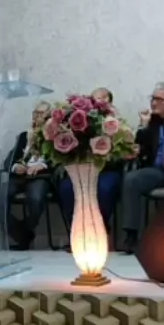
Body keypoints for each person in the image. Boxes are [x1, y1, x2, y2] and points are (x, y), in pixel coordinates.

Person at [121, 81, 164, 254]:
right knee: (132, 179)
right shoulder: (152, 121)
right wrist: (144, 126)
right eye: (152, 98)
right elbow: (137, 149)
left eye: (159, 99)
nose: (153, 103)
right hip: (157, 171)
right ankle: (131, 236)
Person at [0, 102, 53, 250]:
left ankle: (25, 232)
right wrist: (16, 167)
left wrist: (42, 166)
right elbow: (9, 160)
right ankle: (22, 234)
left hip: (40, 177)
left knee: (35, 198)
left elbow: (58, 162)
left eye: (41, 113)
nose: (37, 116)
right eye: (35, 113)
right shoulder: (24, 135)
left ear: (49, 116)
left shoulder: (55, 135)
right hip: (19, 177)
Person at [58, 88, 122, 234]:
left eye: (103, 98)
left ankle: (100, 228)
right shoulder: (82, 121)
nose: (99, 101)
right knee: (67, 188)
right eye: (95, 98)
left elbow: (122, 152)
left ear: (110, 102)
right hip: (82, 170)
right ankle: (76, 230)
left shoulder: (116, 124)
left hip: (107, 171)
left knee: (103, 189)